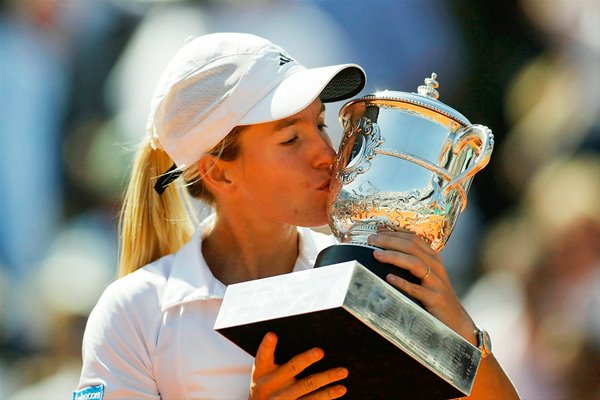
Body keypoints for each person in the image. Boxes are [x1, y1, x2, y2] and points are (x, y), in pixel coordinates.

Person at [74, 32, 519, 399]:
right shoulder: (133, 313)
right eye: (290, 140)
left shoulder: (376, 281)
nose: (327, 154)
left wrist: (461, 336)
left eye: (320, 125)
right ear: (217, 173)